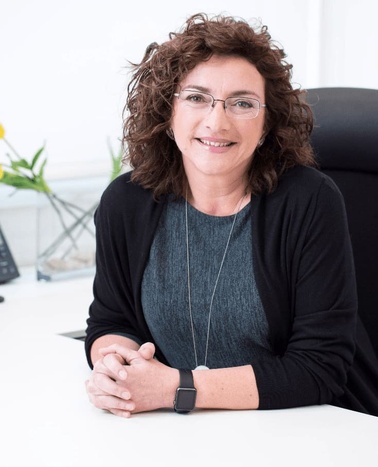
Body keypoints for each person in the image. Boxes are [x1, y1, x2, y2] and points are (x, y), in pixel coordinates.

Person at [84, 12, 378, 418]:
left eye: (242, 103)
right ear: (168, 114)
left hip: (316, 427)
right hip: (191, 433)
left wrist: (178, 388)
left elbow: (319, 369)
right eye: (196, 97)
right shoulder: (127, 201)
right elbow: (112, 320)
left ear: (267, 123)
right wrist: (115, 366)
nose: (216, 121)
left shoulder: (309, 201)